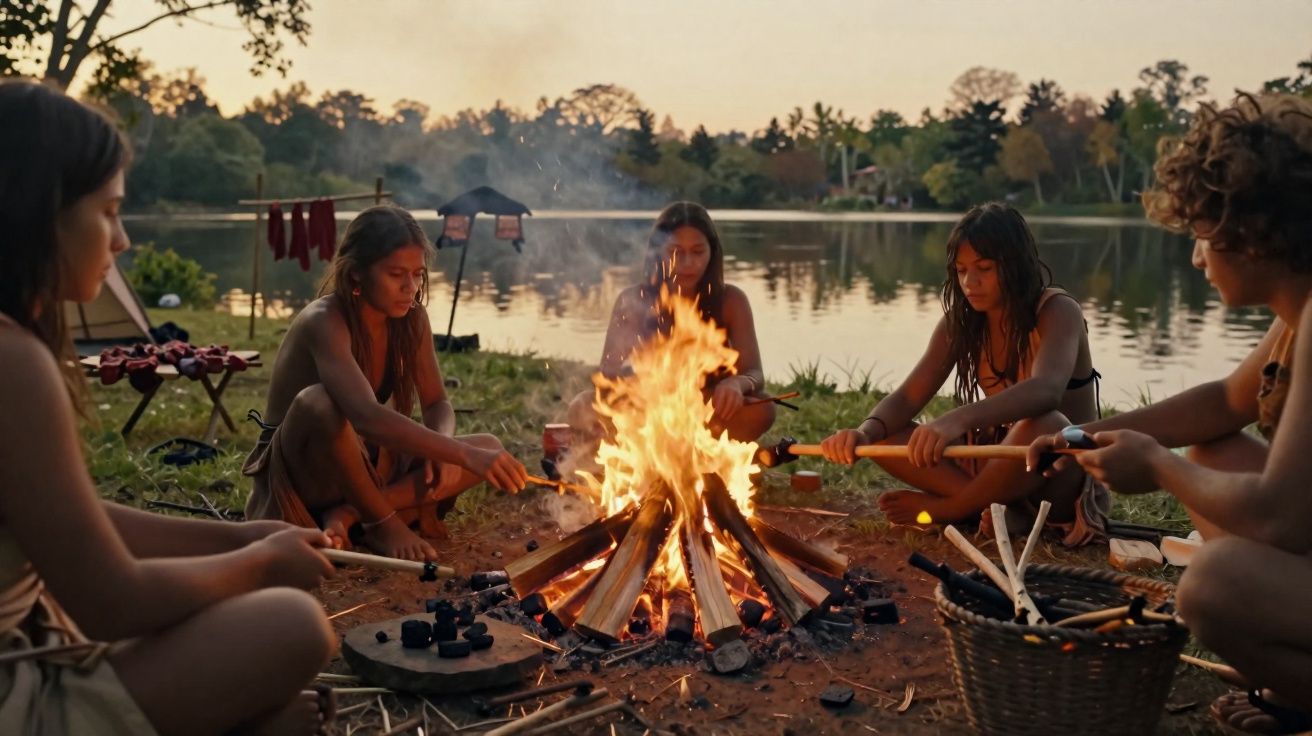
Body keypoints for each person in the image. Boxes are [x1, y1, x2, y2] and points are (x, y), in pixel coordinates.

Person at [0, 78, 337, 736]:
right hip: (17, 694)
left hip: (33, 648)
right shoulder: (14, 364)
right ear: (40, 214)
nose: (122, 240)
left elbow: (73, 518)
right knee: (294, 624)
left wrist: (241, 537)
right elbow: (109, 601)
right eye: (108, 212)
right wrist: (261, 564)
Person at [1027, 93, 1312, 734]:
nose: (1195, 259)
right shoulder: (1298, 312)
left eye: (1202, 238)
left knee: (1213, 586)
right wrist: (1083, 434)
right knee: (1213, 448)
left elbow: (1281, 517)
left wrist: (1154, 464)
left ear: (1256, 232)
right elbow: (1222, 403)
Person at [244, 205, 529, 562]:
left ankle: (348, 514)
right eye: (397, 274)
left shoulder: (411, 319)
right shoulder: (324, 320)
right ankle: (380, 521)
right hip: (304, 475)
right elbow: (365, 417)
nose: (410, 288)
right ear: (357, 275)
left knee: (489, 444)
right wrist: (457, 452)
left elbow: (437, 402)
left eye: (417, 275)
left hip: (365, 466)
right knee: (319, 402)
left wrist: (439, 446)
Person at [820, 202, 1107, 545]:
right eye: (961, 270)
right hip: (995, 466)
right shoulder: (961, 323)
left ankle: (956, 508)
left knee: (1047, 424)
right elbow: (910, 396)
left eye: (984, 268)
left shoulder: (1058, 310)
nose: (971, 282)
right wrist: (864, 434)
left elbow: (1046, 390)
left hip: (1057, 473)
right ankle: (994, 507)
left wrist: (957, 420)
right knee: (886, 435)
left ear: (1015, 266)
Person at [566, 202, 775, 449]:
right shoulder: (634, 300)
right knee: (582, 406)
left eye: (698, 252)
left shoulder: (731, 301)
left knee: (763, 409)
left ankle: (699, 453)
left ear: (712, 252)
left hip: (707, 413)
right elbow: (606, 377)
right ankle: (650, 454)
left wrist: (736, 384)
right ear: (658, 252)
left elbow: (754, 373)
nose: (687, 262)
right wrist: (640, 388)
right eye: (676, 251)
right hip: (645, 412)